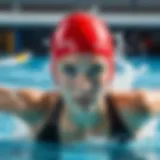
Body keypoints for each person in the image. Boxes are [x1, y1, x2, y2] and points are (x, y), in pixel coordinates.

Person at [0, 12, 159, 144]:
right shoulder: (36, 110)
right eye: (70, 70)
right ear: (54, 73)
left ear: (111, 73)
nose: (83, 86)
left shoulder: (136, 109)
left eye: (95, 70)